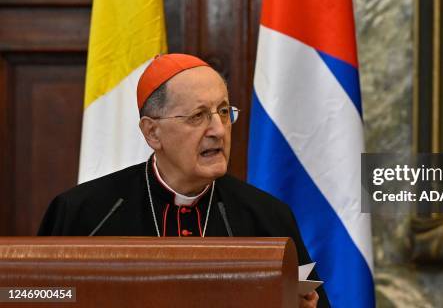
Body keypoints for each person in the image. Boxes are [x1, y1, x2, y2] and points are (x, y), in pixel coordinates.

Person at [38, 53, 328, 308]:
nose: (218, 129)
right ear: (152, 133)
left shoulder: (268, 217)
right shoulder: (85, 213)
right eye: (197, 116)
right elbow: (30, 295)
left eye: (224, 112)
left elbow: (311, 300)